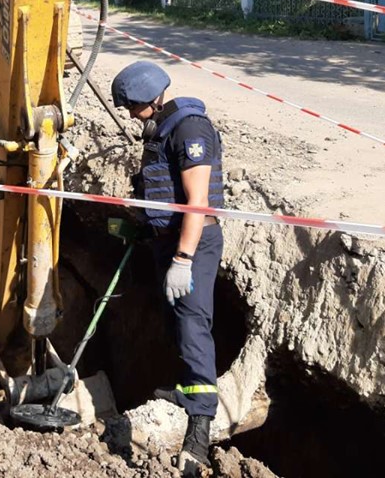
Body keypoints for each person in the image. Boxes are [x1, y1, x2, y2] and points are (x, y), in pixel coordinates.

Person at [111, 60, 224, 474]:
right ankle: (187, 390)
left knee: (194, 324)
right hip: (167, 240)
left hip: (193, 243)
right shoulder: (160, 130)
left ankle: (199, 432)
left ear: (150, 99)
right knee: (177, 321)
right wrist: (144, 221)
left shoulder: (189, 129)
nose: (129, 115)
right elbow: (166, 193)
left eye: (131, 107)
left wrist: (183, 258)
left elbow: (197, 202)